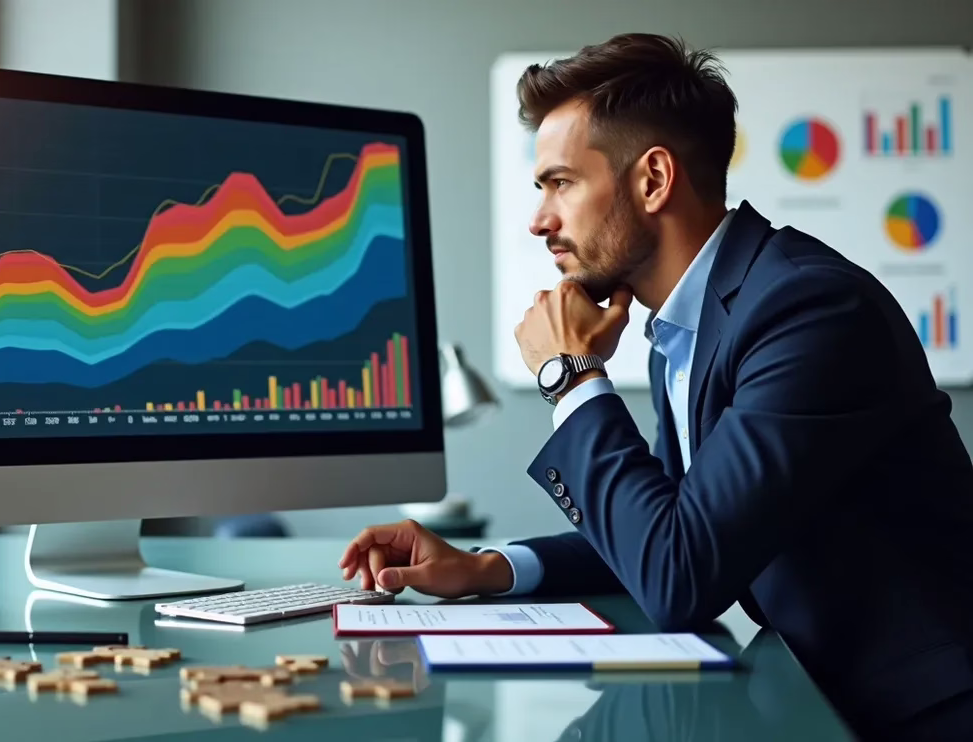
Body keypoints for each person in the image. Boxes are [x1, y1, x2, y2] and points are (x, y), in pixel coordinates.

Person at [337, 32, 973, 738]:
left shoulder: (807, 312)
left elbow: (678, 576)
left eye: (560, 183)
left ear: (653, 179)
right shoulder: (702, 320)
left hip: (915, 715)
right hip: (811, 695)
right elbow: (668, 524)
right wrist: (486, 568)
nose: (540, 220)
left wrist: (570, 377)